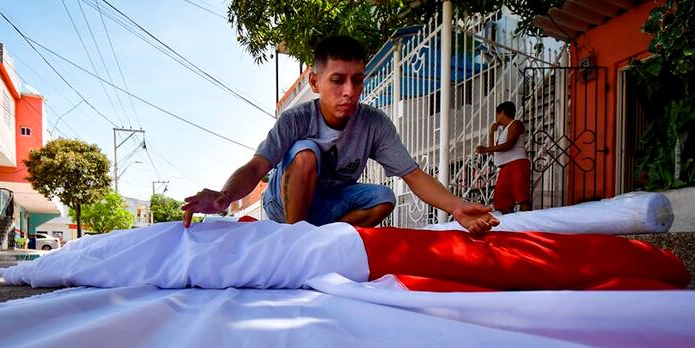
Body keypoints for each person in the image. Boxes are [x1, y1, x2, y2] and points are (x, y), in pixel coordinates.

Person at [182, 35, 498, 233]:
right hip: (285, 202)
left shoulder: (374, 123)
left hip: (330, 205)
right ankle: (296, 238)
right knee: (306, 152)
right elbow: (256, 168)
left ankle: (326, 237)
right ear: (315, 82)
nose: (349, 91)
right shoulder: (296, 119)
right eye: (337, 80)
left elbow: (413, 176)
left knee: (384, 198)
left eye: (357, 80)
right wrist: (225, 197)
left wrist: (457, 207)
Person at [476, 102, 532, 214]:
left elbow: (508, 145)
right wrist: (491, 133)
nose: (496, 118)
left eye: (497, 114)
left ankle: (526, 224)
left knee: (522, 198)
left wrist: (485, 149)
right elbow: (494, 151)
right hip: (505, 167)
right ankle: (510, 226)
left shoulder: (516, 124)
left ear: (502, 113)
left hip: (517, 163)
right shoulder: (504, 130)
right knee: (502, 202)